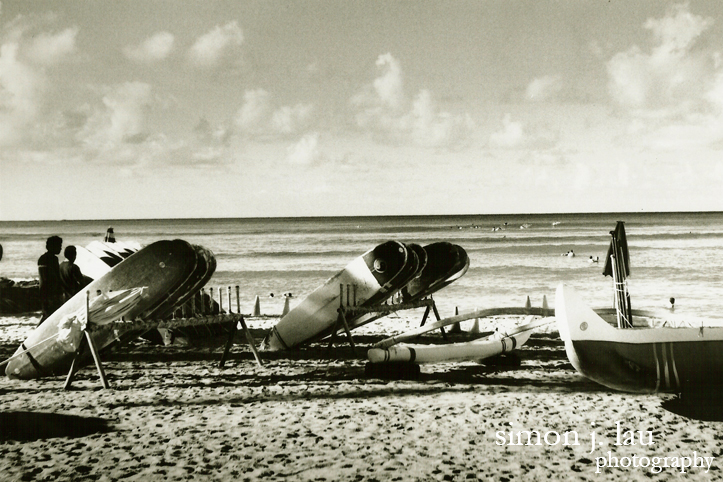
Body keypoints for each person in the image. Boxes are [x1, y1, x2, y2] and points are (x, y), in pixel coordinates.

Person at [38, 235, 64, 325]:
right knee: (50, 316)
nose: (61, 248)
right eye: (59, 246)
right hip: (51, 292)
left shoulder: (43, 258)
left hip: (44, 291)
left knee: (47, 315)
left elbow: (43, 278)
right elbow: (52, 277)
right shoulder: (52, 259)